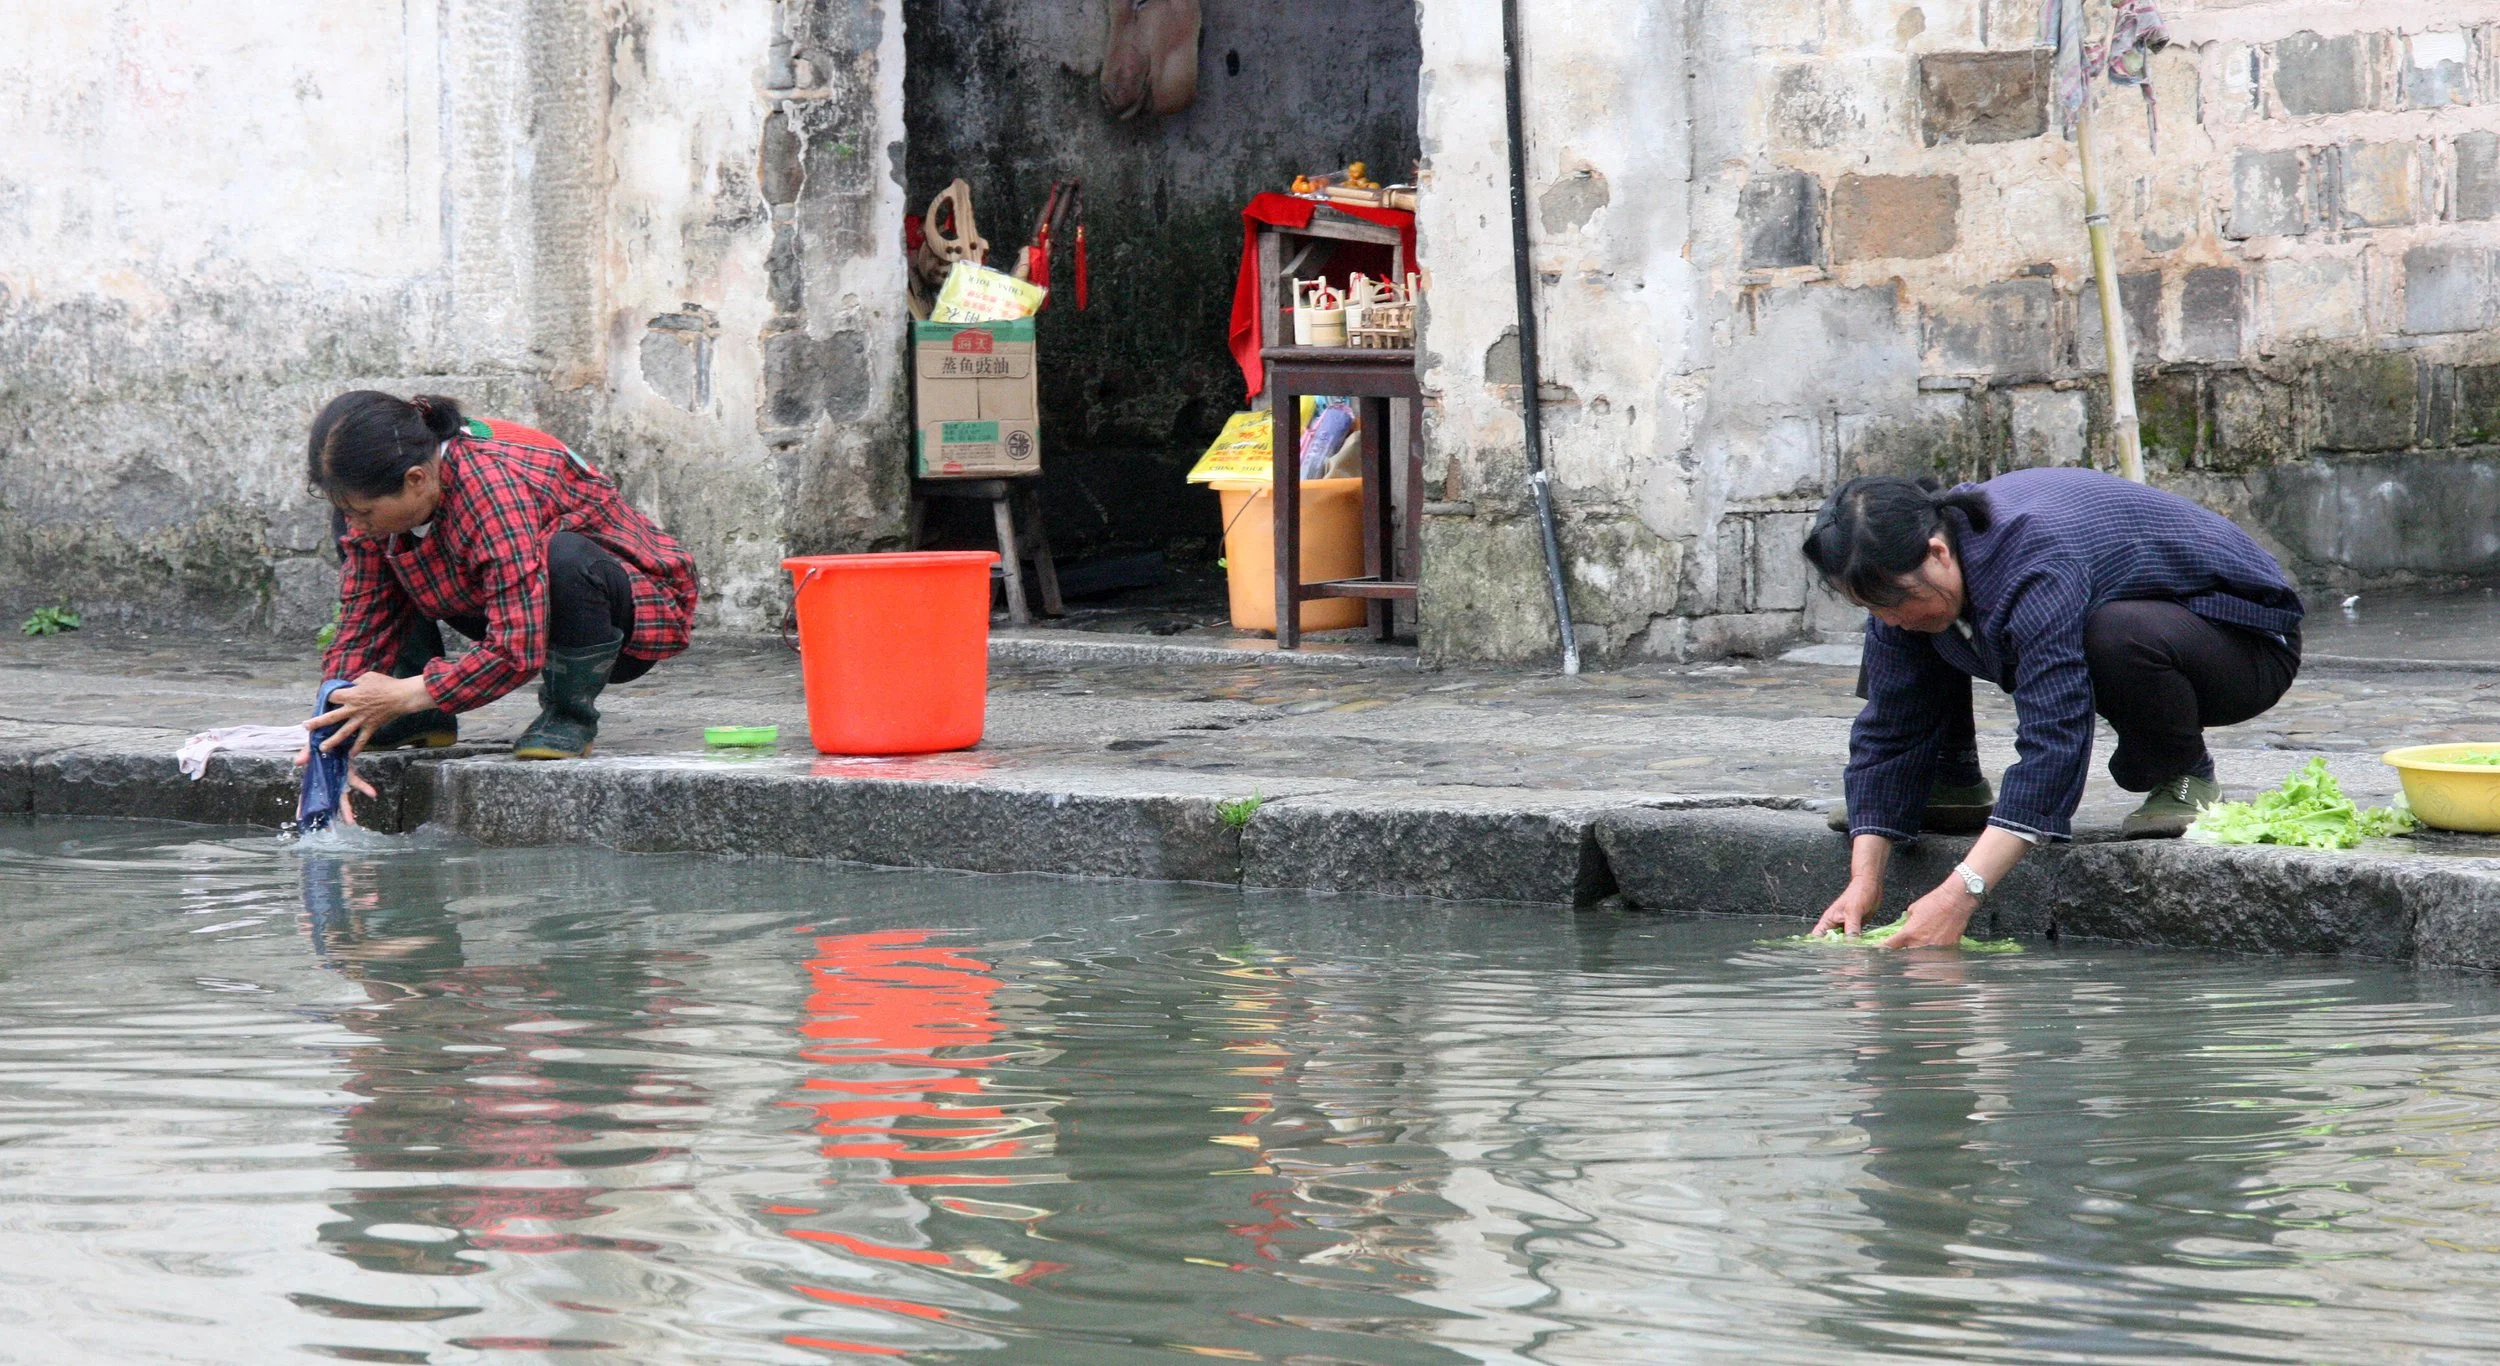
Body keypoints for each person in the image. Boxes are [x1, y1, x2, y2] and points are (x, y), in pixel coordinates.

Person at [1805, 467, 2303, 949]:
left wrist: (1960, 895)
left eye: (1893, 599)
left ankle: (2183, 770)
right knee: (1905, 635)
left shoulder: (2035, 558)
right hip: (2149, 621)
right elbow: (1888, 725)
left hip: (2243, 641)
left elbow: (2054, 737)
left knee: (2108, 634)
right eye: (1871, 605)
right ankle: (1949, 779)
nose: (1888, 616)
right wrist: (1863, 880)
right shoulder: (1917, 582)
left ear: (1936, 552)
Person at [304, 391, 697, 763]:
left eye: (366, 512)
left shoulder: (491, 487)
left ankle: (569, 715)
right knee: (375, 542)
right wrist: (334, 716)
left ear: (416, 480)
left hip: (619, 618)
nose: (356, 523)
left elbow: (516, 649)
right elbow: (365, 619)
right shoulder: (381, 508)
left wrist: (407, 693)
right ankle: (420, 718)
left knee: (564, 557)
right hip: (508, 598)